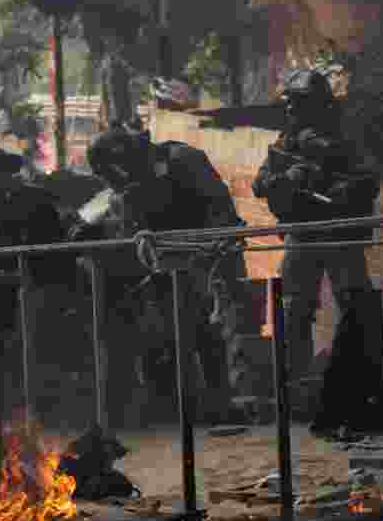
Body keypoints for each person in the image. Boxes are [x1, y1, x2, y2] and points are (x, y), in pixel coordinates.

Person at [84, 124, 255, 422]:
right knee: (179, 333)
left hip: (212, 256)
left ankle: (229, 404)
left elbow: (219, 208)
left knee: (219, 330)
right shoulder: (128, 187)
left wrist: (205, 250)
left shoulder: (181, 159)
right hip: (171, 265)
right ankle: (188, 407)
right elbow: (132, 230)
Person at [252, 68, 378, 382]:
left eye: (299, 102)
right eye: (290, 102)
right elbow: (260, 183)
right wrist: (287, 179)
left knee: (355, 304)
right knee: (294, 307)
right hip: (302, 232)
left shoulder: (346, 136)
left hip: (340, 234)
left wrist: (340, 190)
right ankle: (296, 381)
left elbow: (369, 180)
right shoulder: (288, 139)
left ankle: (363, 379)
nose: (292, 108)